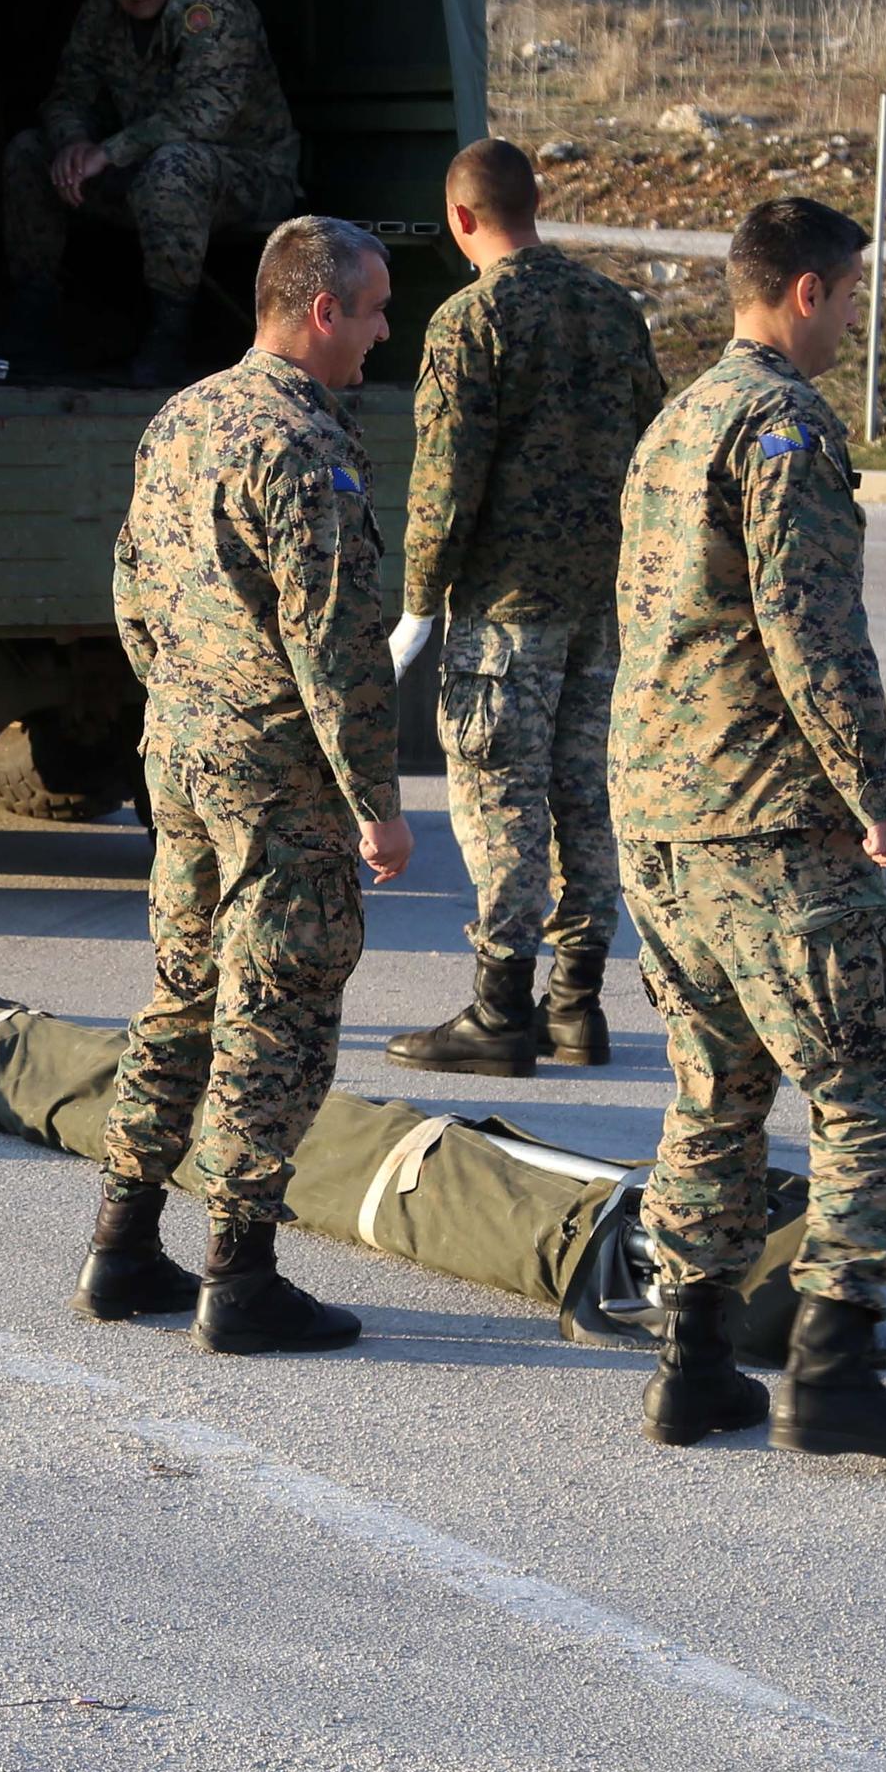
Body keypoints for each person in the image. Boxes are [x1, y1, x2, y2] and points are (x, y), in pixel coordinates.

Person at [609, 196, 886, 1460]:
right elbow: (808, 626)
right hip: (763, 816)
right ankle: (833, 1366)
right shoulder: (783, 422)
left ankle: (692, 1363)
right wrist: (872, 788)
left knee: (716, 1089)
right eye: (853, 296)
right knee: (879, 1091)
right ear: (809, 291)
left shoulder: (679, 417)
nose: (854, 322)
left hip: (656, 812)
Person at [79, 215, 412, 1356]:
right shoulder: (304, 445)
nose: (380, 333)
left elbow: (128, 587)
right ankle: (240, 1272)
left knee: (180, 988)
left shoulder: (183, 415)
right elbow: (335, 644)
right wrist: (378, 801)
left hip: (180, 751)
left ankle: (122, 1244)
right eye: (371, 310)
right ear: (321, 311)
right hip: (276, 775)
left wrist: (182, 701)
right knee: (275, 1007)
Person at [385, 138, 669, 1079]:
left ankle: (499, 1011)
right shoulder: (612, 308)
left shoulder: (472, 320)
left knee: (500, 800)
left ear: (461, 219)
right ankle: (577, 1007)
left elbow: (445, 481)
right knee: (586, 800)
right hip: (603, 605)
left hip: (508, 608)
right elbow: (652, 443)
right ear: (533, 203)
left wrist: (418, 602)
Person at [0, 0, 302, 388]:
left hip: (248, 173)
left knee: (173, 167)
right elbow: (68, 92)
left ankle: (170, 331)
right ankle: (35, 312)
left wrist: (108, 152)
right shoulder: (100, 9)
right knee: (28, 154)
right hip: (142, 167)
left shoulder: (208, 8)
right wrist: (73, 143)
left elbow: (205, 115)